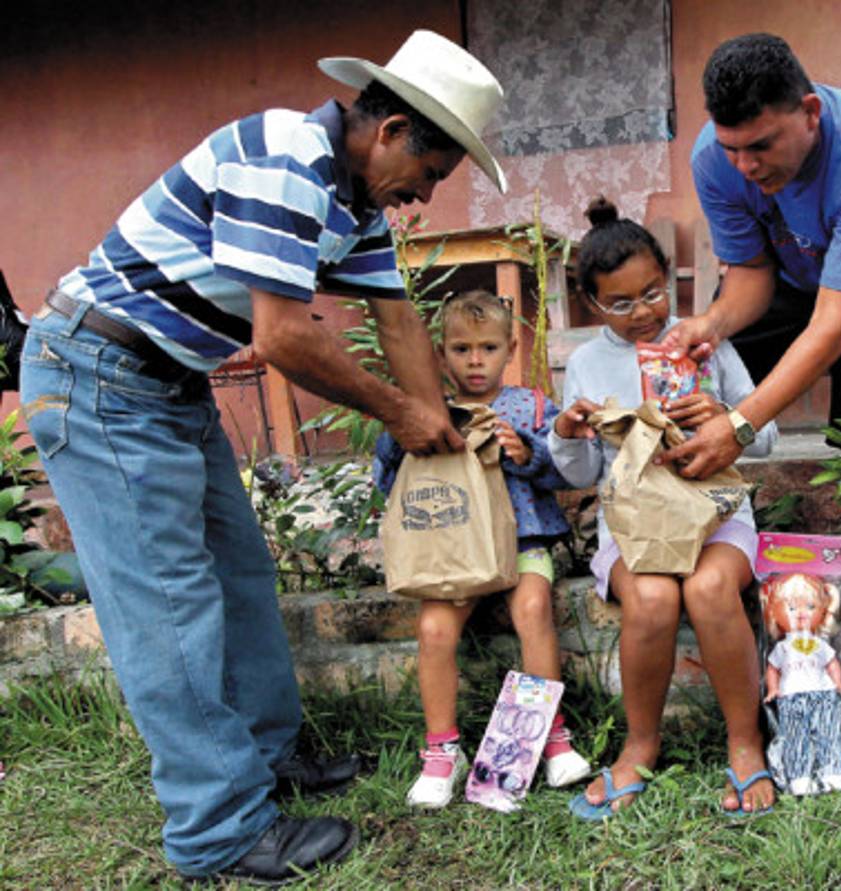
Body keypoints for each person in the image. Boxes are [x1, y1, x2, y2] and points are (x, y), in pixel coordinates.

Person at [19, 30, 508, 885]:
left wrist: (443, 426)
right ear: (391, 130)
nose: (420, 197)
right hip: (100, 378)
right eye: (428, 176)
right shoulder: (284, 155)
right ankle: (216, 830)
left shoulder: (351, 203)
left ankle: (267, 762)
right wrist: (399, 415)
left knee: (241, 575)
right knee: (168, 606)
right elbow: (283, 335)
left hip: (170, 383)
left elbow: (396, 318)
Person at [549, 198, 779, 818]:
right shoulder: (590, 363)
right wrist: (570, 436)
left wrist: (728, 420)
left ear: (668, 279)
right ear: (591, 305)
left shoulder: (701, 340)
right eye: (619, 304)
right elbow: (583, 474)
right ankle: (641, 743)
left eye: (652, 293)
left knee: (707, 591)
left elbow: (770, 431)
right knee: (651, 598)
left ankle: (745, 741)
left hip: (715, 516)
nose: (643, 313)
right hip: (634, 526)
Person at [660, 32, 841, 479]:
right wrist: (712, 322)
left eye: (761, 146)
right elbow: (751, 270)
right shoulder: (713, 161)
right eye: (733, 148)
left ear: (811, 113)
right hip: (791, 262)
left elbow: (832, 325)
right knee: (722, 367)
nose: (745, 167)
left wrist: (740, 427)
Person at [371, 290, 591, 809]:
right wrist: (402, 438)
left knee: (534, 607)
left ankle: (551, 737)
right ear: (440, 353)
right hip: (452, 551)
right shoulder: (425, 412)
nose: (475, 361)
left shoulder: (530, 405)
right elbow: (389, 484)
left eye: (488, 348)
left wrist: (529, 452)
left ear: (510, 348)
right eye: (461, 349)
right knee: (433, 628)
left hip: (523, 542)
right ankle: (442, 752)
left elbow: (565, 470)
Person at [762, 573, 841, 796]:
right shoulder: (782, 648)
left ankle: (833, 771)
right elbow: (773, 668)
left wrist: (838, 683)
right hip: (790, 696)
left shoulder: (819, 643)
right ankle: (800, 776)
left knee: (829, 732)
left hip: (823, 693)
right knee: (795, 736)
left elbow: (832, 663)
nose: (800, 614)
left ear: (822, 611)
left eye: (810, 607)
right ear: (775, 611)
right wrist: (773, 688)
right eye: (791, 608)